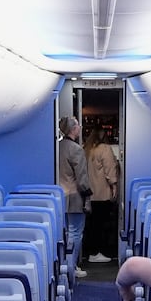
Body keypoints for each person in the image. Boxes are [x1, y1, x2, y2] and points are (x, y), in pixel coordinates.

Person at [55, 116, 90, 279]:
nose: (80, 127)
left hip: (60, 196)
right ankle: (71, 267)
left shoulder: (57, 147)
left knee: (65, 233)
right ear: (73, 129)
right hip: (74, 196)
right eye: (78, 125)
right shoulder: (76, 149)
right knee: (75, 233)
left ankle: (65, 266)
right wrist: (88, 193)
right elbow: (82, 178)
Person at [83, 131, 120, 262]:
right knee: (101, 224)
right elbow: (109, 169)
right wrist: (114, 185)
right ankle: (98, 252)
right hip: (102, 193)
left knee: (92, 224)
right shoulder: (105, 149)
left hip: (89, 194)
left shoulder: (87, 149)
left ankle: (90, 251)